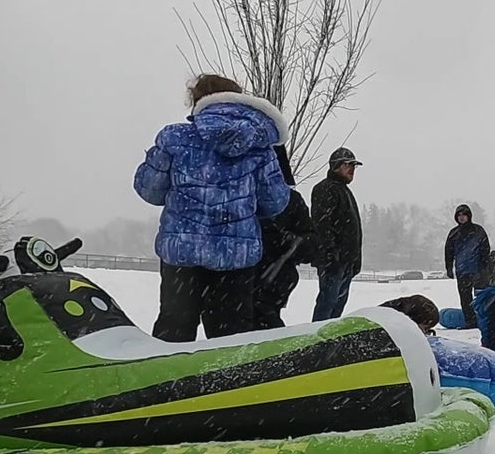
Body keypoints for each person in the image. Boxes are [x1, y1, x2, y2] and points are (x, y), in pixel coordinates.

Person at [134, 73, 290, 342]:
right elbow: (276, 202)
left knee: (174, 330)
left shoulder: (174, 138)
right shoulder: (260, 148)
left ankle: (171, 368)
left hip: (182, 255)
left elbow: (149, 190)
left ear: (197, 100)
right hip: (236, 258)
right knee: (230, 339)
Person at [253, 145, 318, 330]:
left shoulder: (291, 200)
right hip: (237, 278)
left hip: (275, 275)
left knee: (264, 320)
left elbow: (311, 242)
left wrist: (290, 243)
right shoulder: (240, 194)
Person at [311, 147, 363, 321]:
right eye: (348, 165)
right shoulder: (325, 189)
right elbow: (322, 225)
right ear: (335, 166)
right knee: (327, 305)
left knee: (336, 308)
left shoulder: (344, 191)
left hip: (346, 261)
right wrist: (331, 255)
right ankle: (317, 336)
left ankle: (329, 336)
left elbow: (353, 231)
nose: (352, 169)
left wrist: (355, 259)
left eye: (354, 166)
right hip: (333, 262)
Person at [444, 204, 491, 328]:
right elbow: (449, 252)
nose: (461, 217)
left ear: (469, 216)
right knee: (465, 299)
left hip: (478, 270)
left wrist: (484, 266)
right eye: (459, 215)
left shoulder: (478, 230)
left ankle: (486, 319)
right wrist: (449, 268)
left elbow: (485, 248)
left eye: (464, 214)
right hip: (462, 271)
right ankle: (470, 321)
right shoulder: (453, 233)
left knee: (482, 297)